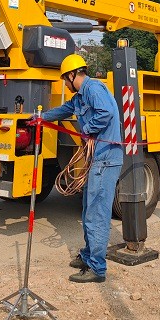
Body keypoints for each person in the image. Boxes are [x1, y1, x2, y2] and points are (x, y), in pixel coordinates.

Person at [39, 53, 123, 283]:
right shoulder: (81, 96)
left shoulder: (94, 89)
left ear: (73, 74)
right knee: (88, 209)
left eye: (65, 79)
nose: (65, 84)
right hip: (97, 160)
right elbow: (65, 109)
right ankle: (88, 256)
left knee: (97, 213)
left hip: (106, 159)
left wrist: (88, 130)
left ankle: (97, 269)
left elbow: (106, 113)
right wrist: (41, 117)